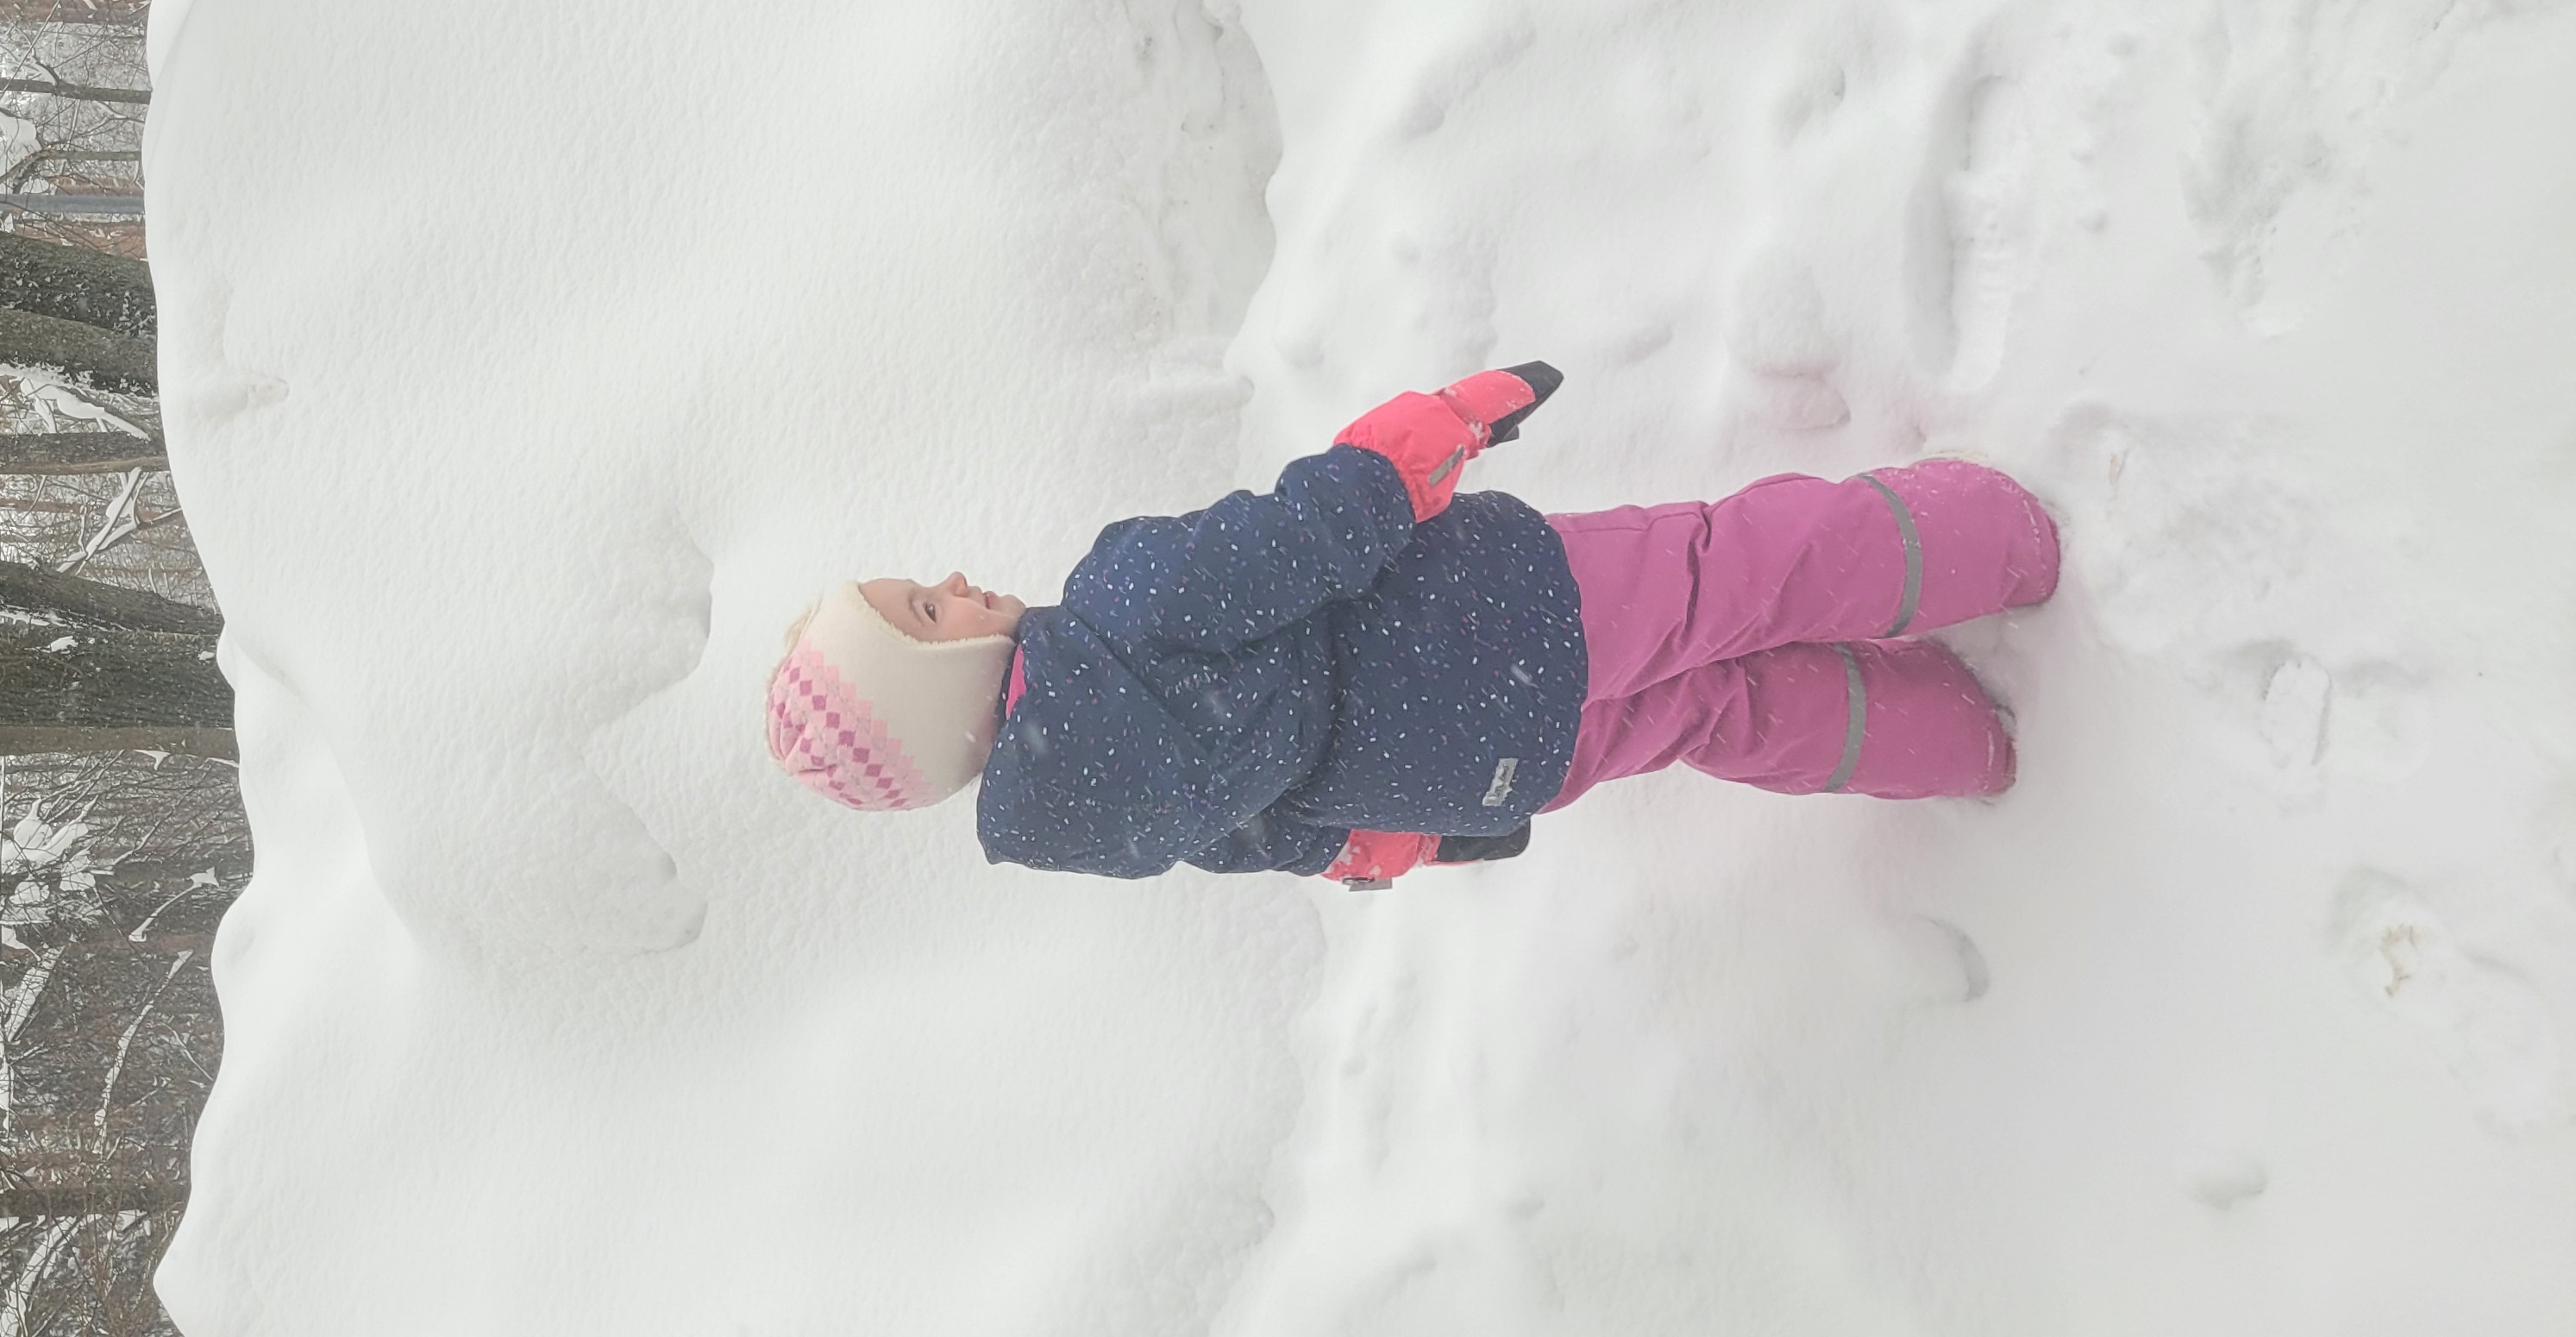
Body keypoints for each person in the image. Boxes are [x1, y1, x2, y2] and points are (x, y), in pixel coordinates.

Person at [762, 365, 2060, 886]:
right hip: (1492, 618)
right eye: (927, 609)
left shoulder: (1096, 819)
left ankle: (1960, 744)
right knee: (1732, 575)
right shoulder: (1121, 605)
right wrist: (1420, 442)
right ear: (941, 681)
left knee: (1712, 710)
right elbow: (1292, 544)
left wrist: (1407, 849)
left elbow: (1276, 842)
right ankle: (1998, 539)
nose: (955, 581)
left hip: (1475, 767)